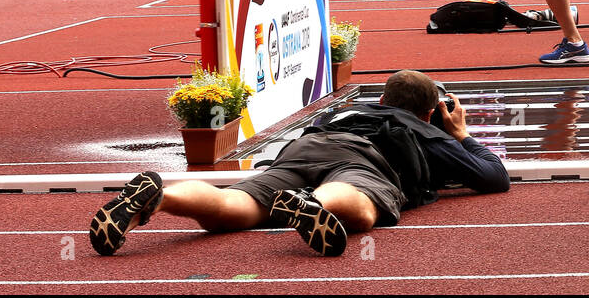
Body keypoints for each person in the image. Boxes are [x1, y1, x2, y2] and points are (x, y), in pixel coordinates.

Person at [89, 70, 508, 257]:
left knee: (234, 206)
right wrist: (460, 133)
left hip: (301, 152)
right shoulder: (423, 128)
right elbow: (494, 178)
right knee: (362, 204)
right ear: (431, 111)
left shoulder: (349, 111)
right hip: (364, 162)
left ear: (382, 99)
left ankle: (160, 197)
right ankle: (315, 204)